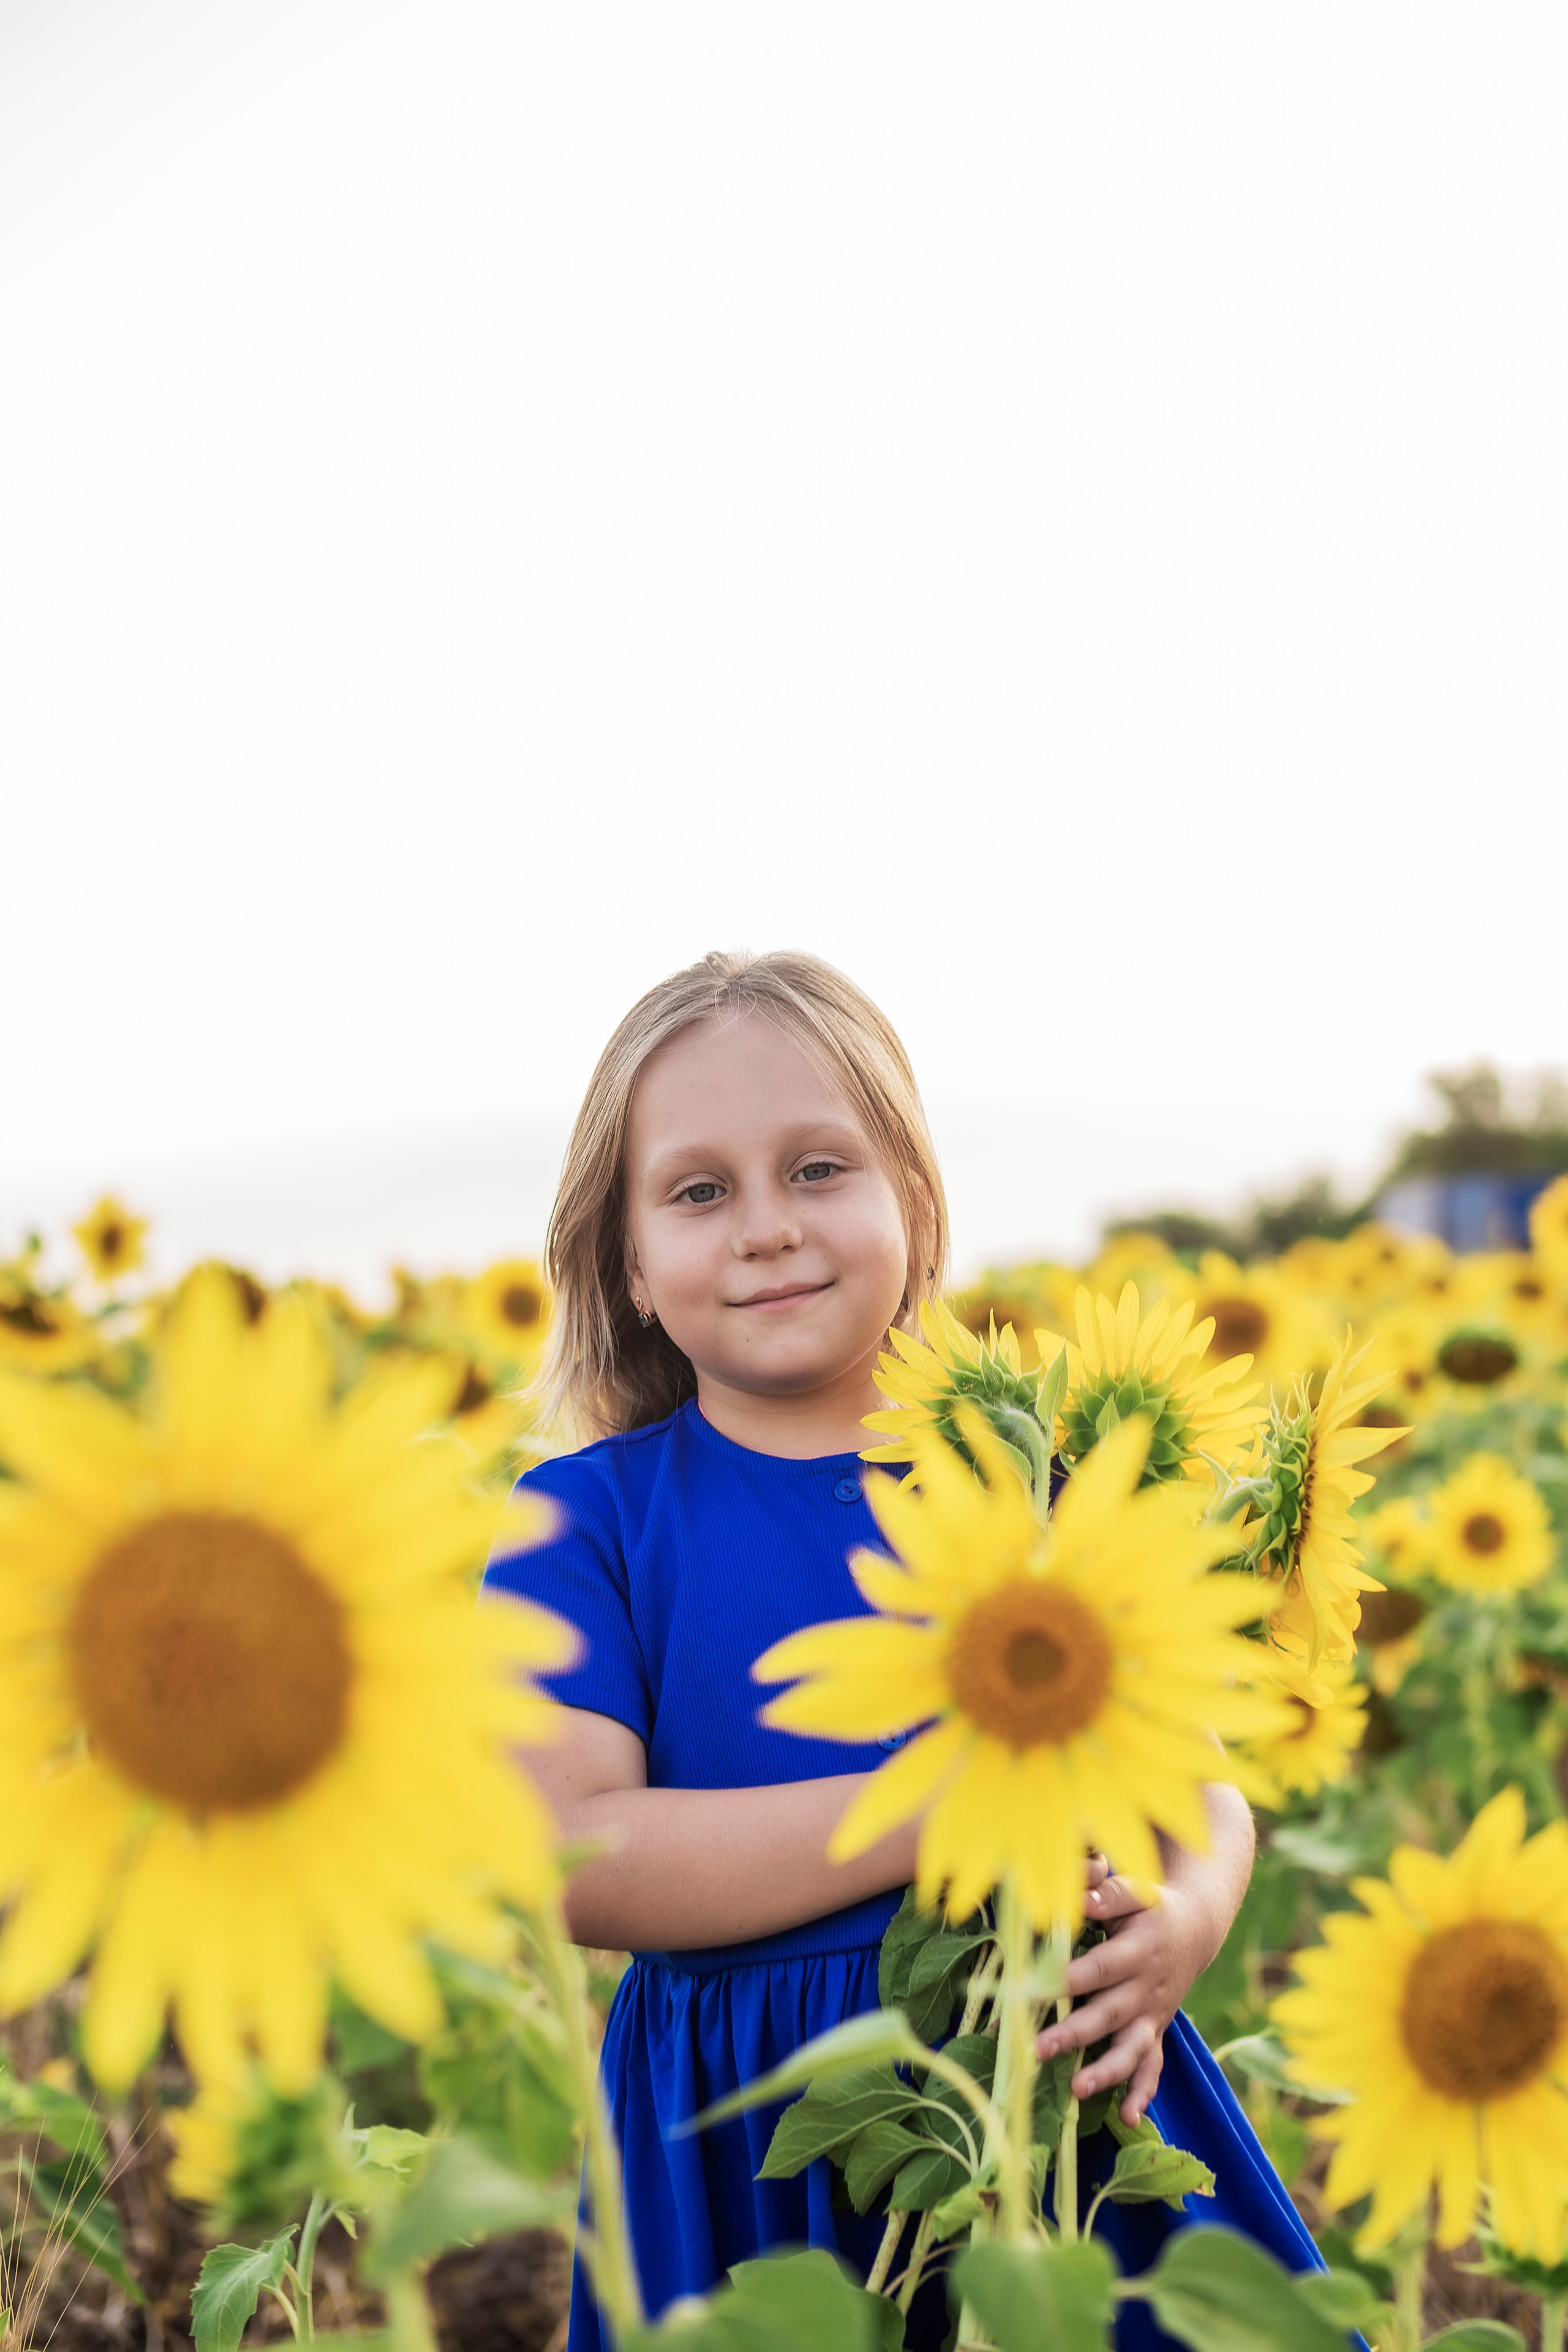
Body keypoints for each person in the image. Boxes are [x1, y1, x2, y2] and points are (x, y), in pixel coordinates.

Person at [484, 948, 1321, 2350]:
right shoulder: (587, 1521)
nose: (764, 1228)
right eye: (699, 1192)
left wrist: (1182, 1921)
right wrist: (932, 1806)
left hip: (1050, 2087)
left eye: (818, 1169)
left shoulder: (1030, 1480)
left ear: (915, 1212)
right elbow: (573, 1853)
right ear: (626, 1262)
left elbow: (1201, 1790)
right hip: (745, 2129)